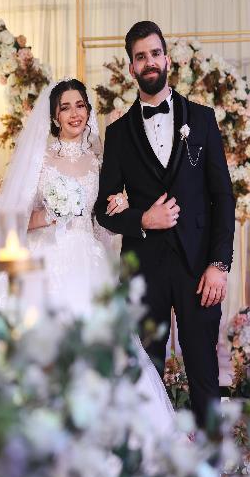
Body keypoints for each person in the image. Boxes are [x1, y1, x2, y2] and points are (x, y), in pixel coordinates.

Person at [0, 77, 175, 433]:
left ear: (89, 111)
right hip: (43, 260)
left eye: (80, 105)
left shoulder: (99, 162)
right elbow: (10, 222)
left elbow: (101, 227)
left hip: (89, 263)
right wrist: (47, 216)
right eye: (65, 108)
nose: (74, 113)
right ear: (54, 117)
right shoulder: (40, 160)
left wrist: (118, 211)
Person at [94, 21, 235, 427]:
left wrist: (219, 265)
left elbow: (223, 197)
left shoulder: (202, 119)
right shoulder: (118, 134)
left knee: (204, 373)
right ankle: (150, 456)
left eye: (155, 53)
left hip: (199, 269)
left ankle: (208, 456)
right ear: (131, 67)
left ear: (167, 59)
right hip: (144, 272)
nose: (149, 62)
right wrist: (143, 219)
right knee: (146, 375)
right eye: (140, 57)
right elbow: (103, 210)